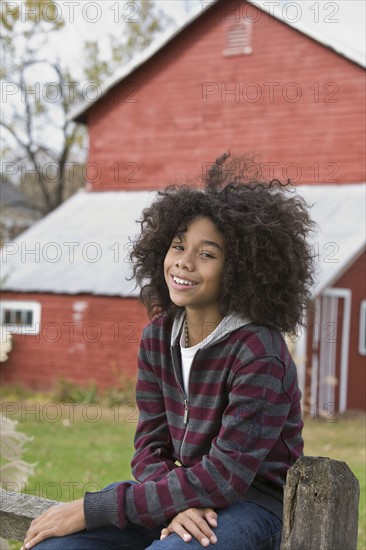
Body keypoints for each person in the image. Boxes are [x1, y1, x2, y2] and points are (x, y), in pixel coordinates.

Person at [22, 153, 315, 550]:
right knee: (55, 546)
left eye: (207, 254)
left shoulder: (259, 354)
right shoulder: (158, 337)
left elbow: (226, 476)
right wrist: (175, 505)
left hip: (254, 508)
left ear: (241, 269)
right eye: (178, 246)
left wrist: (95, 508)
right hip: (181, 494)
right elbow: (149, 448)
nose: (184, 262)